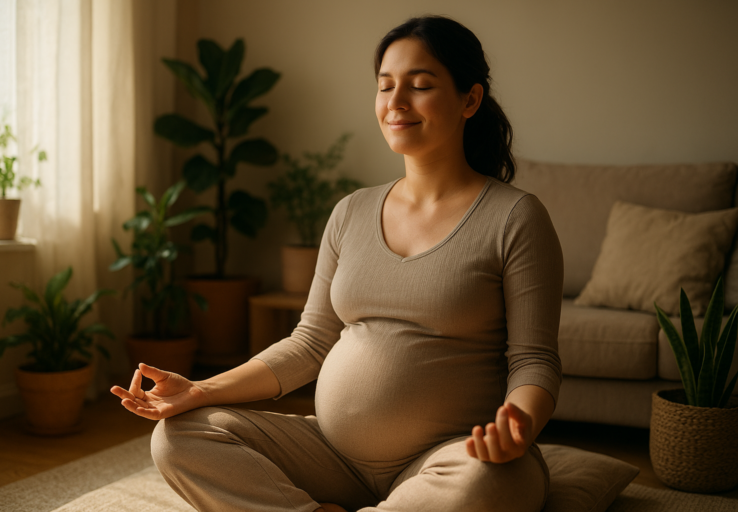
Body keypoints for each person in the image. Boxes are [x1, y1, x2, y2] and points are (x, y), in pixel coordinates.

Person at [111, 15, 563, 512]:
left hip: (454, 457)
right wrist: (201, 390)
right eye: (385, 86)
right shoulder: (352, 211)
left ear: (470, 100)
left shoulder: (515, 217)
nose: (396, 102)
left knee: (487, 482)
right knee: (178, 436)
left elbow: (534, 361)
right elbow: (310, 343)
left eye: (420, 85)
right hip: (332, 457)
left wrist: (518, 426)